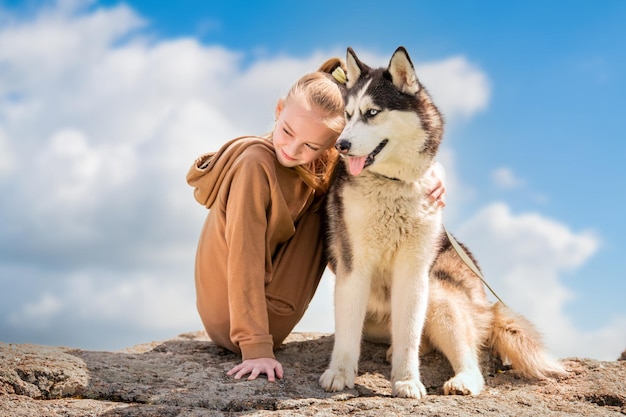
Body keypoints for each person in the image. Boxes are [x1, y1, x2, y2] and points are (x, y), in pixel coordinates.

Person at [186, 58, 446, 383]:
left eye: (311, 146)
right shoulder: (254, 166)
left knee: (348, 193)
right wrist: (256, 348)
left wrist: (429, 171)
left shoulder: (324, 158)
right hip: (239, 323)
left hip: (266, 312)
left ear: (328, 146)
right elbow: (244, 256)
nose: (293, 150)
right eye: (287, 131)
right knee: (344, 201)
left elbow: (376, 143)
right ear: (279, 109)